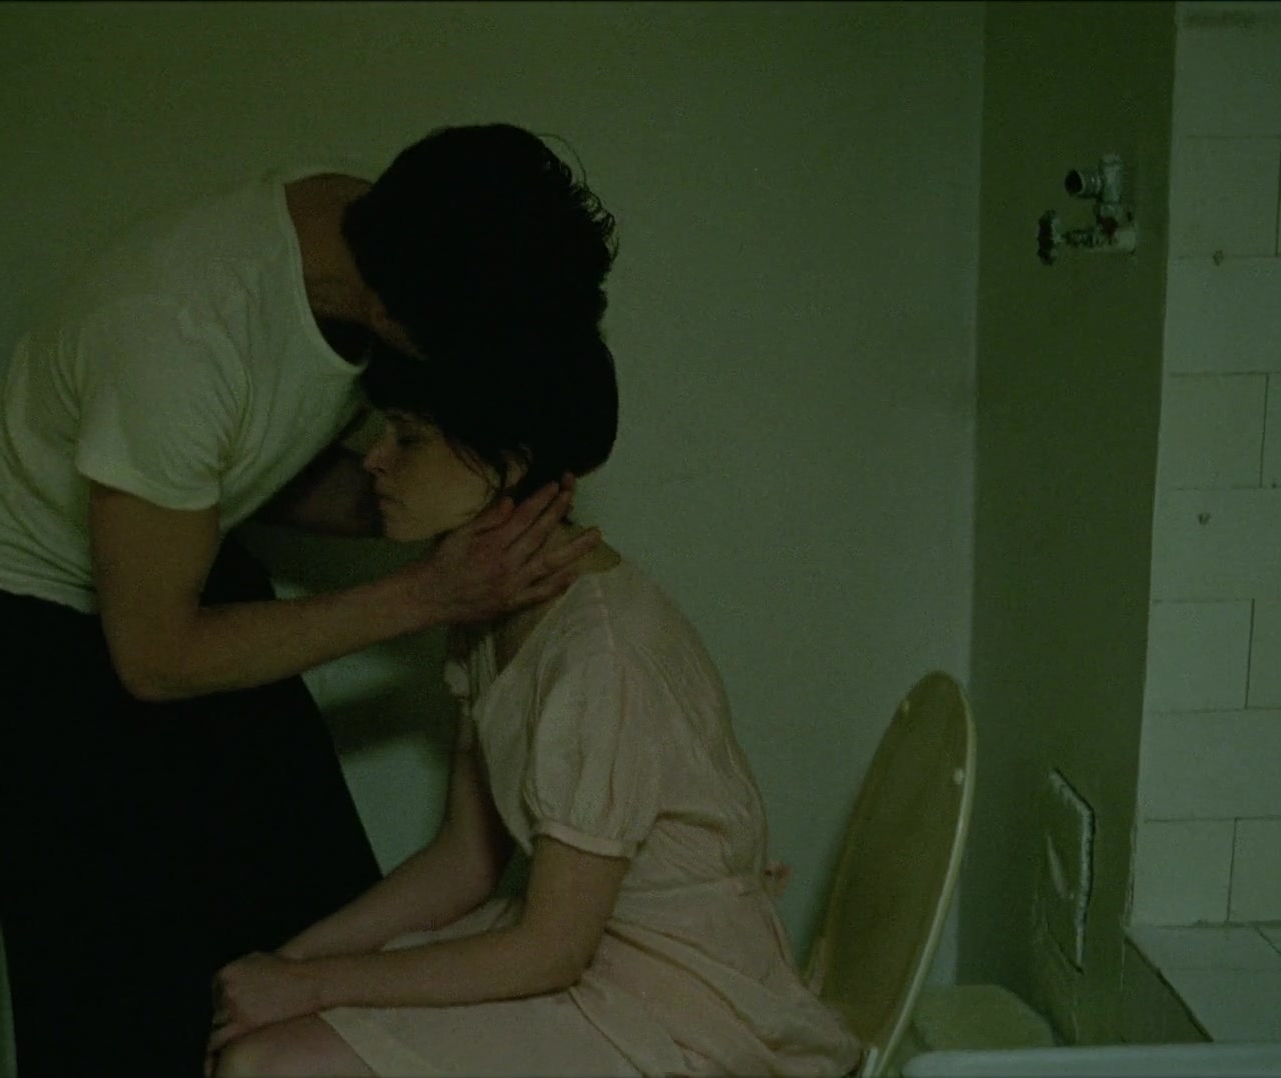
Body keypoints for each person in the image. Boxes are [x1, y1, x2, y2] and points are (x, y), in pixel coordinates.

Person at [0, 123, 619, 1076]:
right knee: (120, 989)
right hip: (17, 608)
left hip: (176, 561)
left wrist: (457, 512)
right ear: (402, 309)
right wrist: (429, 592)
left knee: (314, 910)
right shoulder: (178, 336)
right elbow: (155, 658)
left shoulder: (383, 231)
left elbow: (257, 458)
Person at [204, 333, 864, 1077]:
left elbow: (552, 950)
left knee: (270, 1065)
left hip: (673, 994)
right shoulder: (496, 601)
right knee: (256, 1041)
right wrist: (288, 964)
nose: (376, 461)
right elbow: (468, 859)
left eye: (410, 438)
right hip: (580, 947)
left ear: (510, 464)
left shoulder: (601, 655)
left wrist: (308, 984)